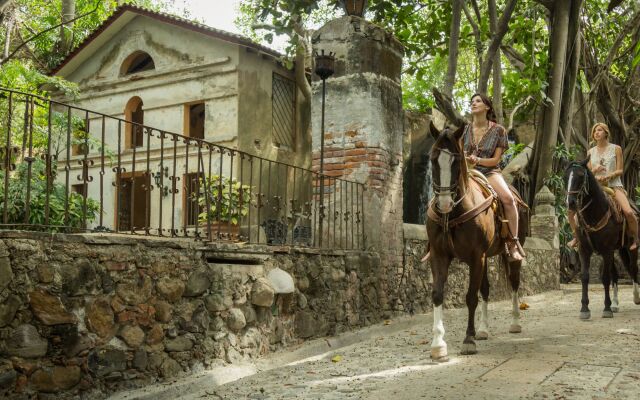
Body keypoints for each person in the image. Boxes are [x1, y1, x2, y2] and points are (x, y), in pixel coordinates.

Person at [422, 93, 524, 262]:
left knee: (508, 200)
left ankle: (512, 243)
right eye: (472, 101)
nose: (473, 103)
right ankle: (432, 244)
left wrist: (478, 159)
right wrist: (465, 159)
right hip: (467, 172)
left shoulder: (499, 130)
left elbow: (496, 160)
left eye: (478, 101)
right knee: (438, 198)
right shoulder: (464, 130)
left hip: (490, 172)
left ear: (487, 107)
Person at [566, 123, 638, 250]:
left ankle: (635, 238)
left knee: (629, 212)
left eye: (599, 130)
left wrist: (608, 176)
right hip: (595, 189)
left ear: (606, 132)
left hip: (614, 186)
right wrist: (595, 172)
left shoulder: (616, 148)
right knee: (571, 212)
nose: (596, 133)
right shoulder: (590, 152)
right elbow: (588, 173)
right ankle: (576, 237)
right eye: (594, 131)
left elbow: (620, 170)